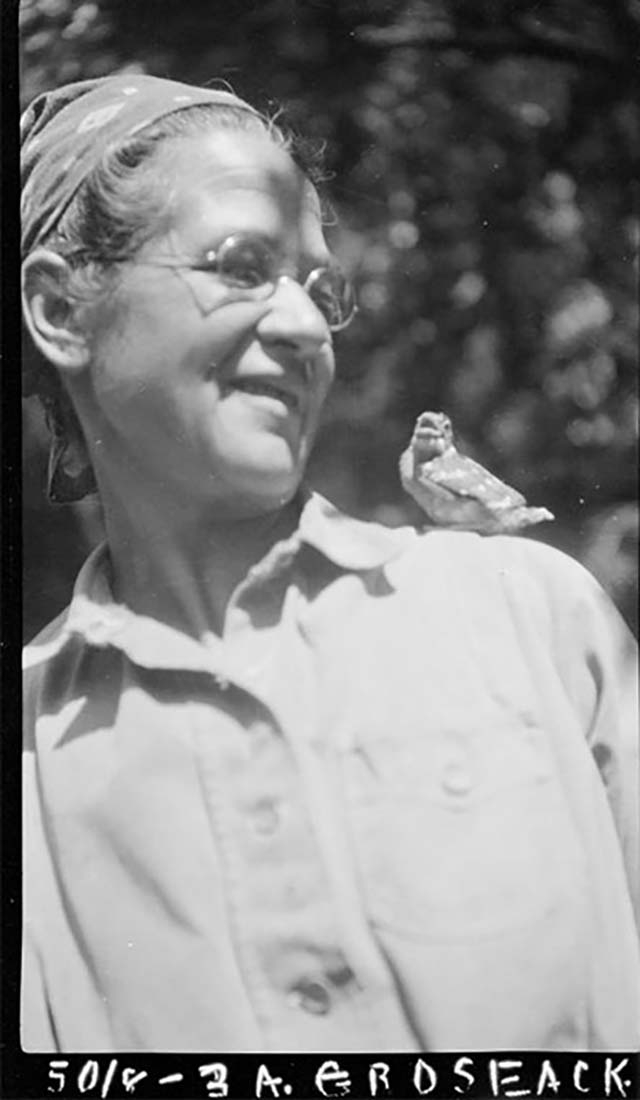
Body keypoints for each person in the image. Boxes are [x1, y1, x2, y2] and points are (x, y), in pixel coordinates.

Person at [21, 73, 639, 1055]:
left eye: (319, 287)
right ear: (60, 309)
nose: (309, 329)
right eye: (238, 265)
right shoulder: (33, 757)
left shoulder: (528, 612)